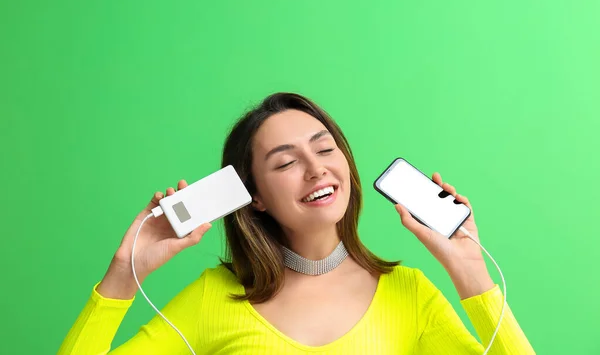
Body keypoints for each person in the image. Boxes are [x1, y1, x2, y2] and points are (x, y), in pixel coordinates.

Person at [58, 92, 535, 354]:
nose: (316, 169)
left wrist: (471, 271)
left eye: (325, 149)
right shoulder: (212, 298)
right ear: (256, 197)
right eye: (286, 163)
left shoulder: (410, 294)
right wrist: (124, 273)